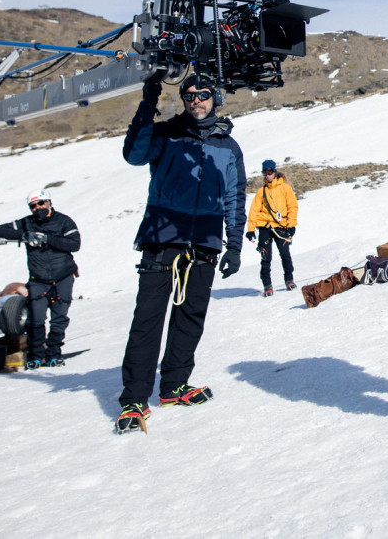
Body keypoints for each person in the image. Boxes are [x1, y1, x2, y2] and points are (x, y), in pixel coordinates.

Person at [114, 72, 246, 434]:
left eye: (202, 95)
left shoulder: (228, 146)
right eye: (188, 95)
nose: (195, 101)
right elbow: (134, 155)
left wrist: (233, 245)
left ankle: (173, 385)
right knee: (148, 318)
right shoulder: (166, 134)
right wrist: (147, 104)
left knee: (190, 317)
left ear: (214, 98)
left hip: (204, 241)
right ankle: (134, 398)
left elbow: (235, 197)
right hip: (163, 236)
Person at [0, 190, 81, 369]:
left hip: (62, 276)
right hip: (38, 278)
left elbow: (74, 244)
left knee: (59, 317)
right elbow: (0, 230)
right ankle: (35, 355)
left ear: (49, 202)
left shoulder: (64, 221)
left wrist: (48, 239)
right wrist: (24, 235)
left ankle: (54, 353)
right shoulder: (27, 223)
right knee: (35, 318)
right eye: (33, 206)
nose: (37, 208)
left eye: (41, 203)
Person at [245, 159, 299, 296]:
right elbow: (254, 211)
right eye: (265, 172)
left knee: (285, 254)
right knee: (265, 257)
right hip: (264, 227)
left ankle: (289, 279)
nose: (267, 175)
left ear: (274, 172)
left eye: (269, 172)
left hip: (281, 227)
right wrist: (251, 230)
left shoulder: (285, 188)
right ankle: (267, 286)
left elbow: (292, 206)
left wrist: (291, 225)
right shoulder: (261, 191)